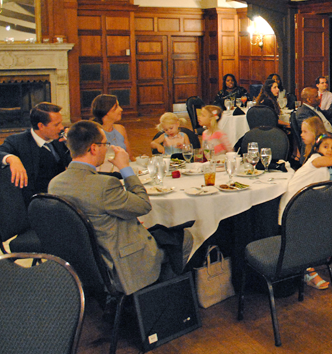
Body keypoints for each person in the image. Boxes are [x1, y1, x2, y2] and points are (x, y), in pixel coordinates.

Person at [48, 120, 193, 295]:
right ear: (93, 148)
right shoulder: (105, 184)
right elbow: (143, 205)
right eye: (104, 144)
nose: (106, 148)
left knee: (159, 232)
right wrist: (126, 168)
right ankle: (160, 294)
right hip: (118, 262)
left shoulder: (55, 184)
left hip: (86, 261)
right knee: (185, 237)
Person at [278, 133, 332, 290]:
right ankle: (308, 270)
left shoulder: (322, 164)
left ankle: (308, 265)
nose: (329, 150)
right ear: (316, 149)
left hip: (304, 205)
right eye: (325, 147)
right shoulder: (316, 160)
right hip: (293, 208)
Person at [0, 102, 71, 205]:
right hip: (34, 203)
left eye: (61, 123)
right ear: (41, 126)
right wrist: (12, 158)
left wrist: (72, 144)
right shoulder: (18, 141)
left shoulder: (59, 139)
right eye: (56, 124)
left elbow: (73, 163)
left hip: (61, 198)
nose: (61, 127)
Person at [91, 94, 134, 161]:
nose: (121, 109)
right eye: (116, 107)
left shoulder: (120, 129)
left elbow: (130, 157)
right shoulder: (95, 133)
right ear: (107, 111)